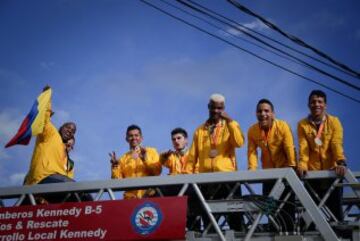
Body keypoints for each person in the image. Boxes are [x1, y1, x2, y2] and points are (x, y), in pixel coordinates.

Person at [185, 93, 245, 231]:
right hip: (206, 181)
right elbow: (192, 157)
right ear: (208, 107)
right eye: (213, 108)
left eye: (220, 108)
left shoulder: (230, 125)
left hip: (229, 179)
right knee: (209, 223)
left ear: (224, 108)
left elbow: (239, 143)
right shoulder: (199, 130)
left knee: (235, 221)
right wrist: (188, 176)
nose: (216, 111)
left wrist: (230, 121)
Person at [297, 90, 346, 222]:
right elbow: (304, 148)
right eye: (313, 102)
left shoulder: (334, 122)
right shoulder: (302, 124)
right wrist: (301, 165)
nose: (316, 104)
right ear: (308, 105)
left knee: (336, 214)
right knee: (310, 216)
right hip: (312, 175)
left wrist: (340, 161)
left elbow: (336, 143)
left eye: (320, 102)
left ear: (325, 105)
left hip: (332, 172)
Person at [247, 99, 296, 232]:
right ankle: (274, 230)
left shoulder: (283, 126)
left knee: (288, 208)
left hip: (286, 174)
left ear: (273, 114)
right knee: (269, 208)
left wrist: (292, 167)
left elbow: (289, 147)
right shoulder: (252, 130)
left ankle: (290, 231)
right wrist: (252, 170)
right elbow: (252, 152)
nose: (263, 114)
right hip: (268, 175)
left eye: (266, 111)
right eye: (259, 111)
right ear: (256, 114)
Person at [24, 86, 77, 185]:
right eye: (68, 127)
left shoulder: (69, 163)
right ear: (61, 127)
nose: (70, 131)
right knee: (77, 190)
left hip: (57, 184)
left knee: (79, 192)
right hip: (43, 177)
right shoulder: (51, 133)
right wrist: (47, 98)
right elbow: (44, 117)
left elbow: (69, 178)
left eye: (73, 131)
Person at [159, 127, 200, 230]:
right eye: (173, 139)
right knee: (155, 191)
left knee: (194, 199)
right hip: (175, 188)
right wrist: (163, 156)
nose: (176, 141)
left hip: (191, 188)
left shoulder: (195, 154)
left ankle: (194, 228)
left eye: (179, 138)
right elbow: (162, 162)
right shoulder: (171, 155)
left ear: (186, 140)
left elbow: (198, 171)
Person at [110, 125, 162, 199]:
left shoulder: (151, 151)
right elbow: (117, 183)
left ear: (141, 138)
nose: (134, 138)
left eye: (136, 135)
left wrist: (145, 159)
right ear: (126, 139)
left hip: (150, 196)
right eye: (131, 136)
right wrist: (115, 166)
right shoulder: (122, 159)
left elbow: (157, 172)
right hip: (130, 200)